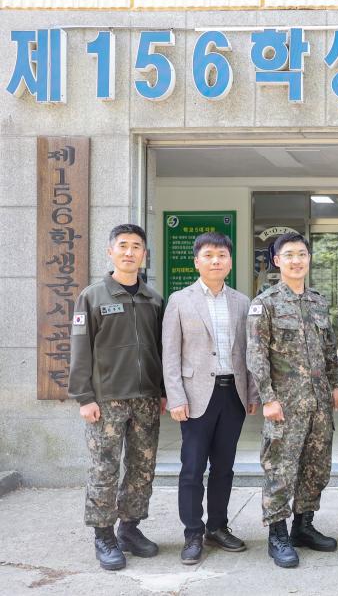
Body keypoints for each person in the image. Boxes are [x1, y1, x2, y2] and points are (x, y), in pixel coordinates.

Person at [69, 224, 166, 571]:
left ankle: (130, 528)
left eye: (136, 246)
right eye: (122, 246)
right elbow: (80, 349)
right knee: (104, 469)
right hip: (106, 400)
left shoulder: (153, 299)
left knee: (142, 468)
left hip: (146, 398)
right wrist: (84, 396)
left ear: (144, 254)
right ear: (110, 252)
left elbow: (160, 349)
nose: (129, 252)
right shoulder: (92, 296)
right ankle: (103, 535)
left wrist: (164, 391)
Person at [247, 232, 338, 568]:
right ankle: (277, 533)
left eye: (302, 254)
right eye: (289, 255)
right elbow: (256, 355)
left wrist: (334, 385)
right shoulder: (266, 303)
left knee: (316, 467)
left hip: (318, 402)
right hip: (285, 405)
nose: (296, 260)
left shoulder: (318, 302)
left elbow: (330, 349)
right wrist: (268, 398)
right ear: (277, 260)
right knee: (280, 469)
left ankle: (304, 525)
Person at [162, 232, 259, 564]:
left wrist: (252, 392)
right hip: (194, 395)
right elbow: (170, 353)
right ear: (197, 261)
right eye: (209, 255)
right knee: (192, 467)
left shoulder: (242, 302)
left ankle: (217, 527)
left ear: (230, 261)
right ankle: (192, 533)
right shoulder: (179, 300)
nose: (215, 260)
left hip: (232, 394)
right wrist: (175, 396)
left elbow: (249, 352)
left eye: (221, 255)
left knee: (224, 467)